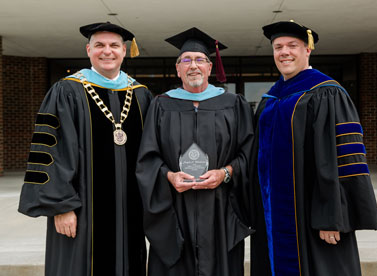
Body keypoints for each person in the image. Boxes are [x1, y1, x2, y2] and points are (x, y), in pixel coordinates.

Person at [250, 20, 377, 276]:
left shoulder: (327, 93)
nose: (284, 52)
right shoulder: (271, 99)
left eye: (292, 45)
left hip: (313, 214)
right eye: (278, 47)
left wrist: (331, 217)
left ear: (307, 50)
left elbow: (343, 158)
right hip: (272, 213)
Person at [18, 22, 152, 276]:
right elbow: (50, 151)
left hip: (130, 210)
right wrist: (61, 206)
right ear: (88, 50)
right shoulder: (67, 90)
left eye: (114, 46)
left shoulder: (141, 95)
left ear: (124, 51)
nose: (107, 51)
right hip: (81, 210)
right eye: (99, 45)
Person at [136, 27, 254, 276]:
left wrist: (226, 173)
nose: (193, 66)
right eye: (186, 60)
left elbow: (249, 154)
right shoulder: (160, 105)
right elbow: (147, 157)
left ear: (210, 68)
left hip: (221, 211)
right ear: (178, 69)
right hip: (175, 210)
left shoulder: (234, 104)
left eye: (200, 59)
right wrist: (169, 176)